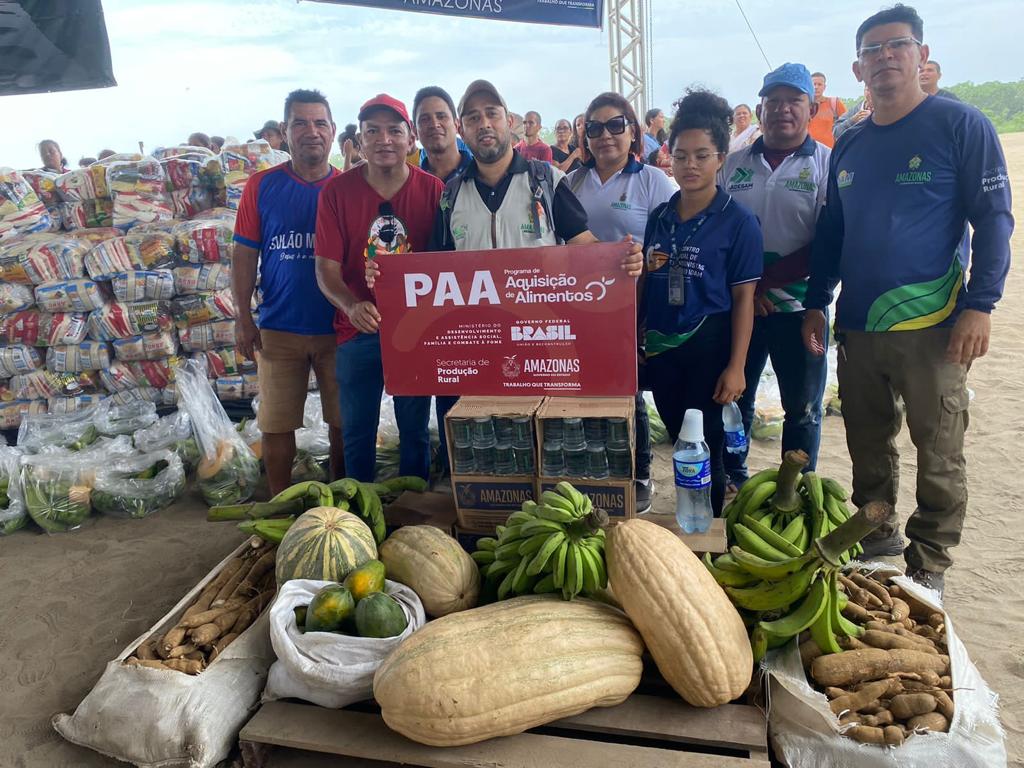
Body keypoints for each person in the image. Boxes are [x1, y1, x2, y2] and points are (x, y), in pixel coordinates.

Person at [802, 4, 1013, 595]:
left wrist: (982, 303)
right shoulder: (849, 143)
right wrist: (818, 301)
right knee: (868, 443)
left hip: (937, 325)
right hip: (860, 325)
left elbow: (993, 221)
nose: (886, 58)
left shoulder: (960, 125)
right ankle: (876, 534)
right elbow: (832, 233)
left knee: (938, 448)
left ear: (922, 56)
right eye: (873, 50)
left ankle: (930, 563)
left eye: (898, 46)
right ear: (857, 68)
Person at [641, 88, 763, 516]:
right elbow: (646, 280)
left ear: (721, 158)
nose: (690, 165)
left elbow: (745, 299)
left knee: (705, 439)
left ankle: (706, 525)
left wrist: (737, 367)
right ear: (668, 158)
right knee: (678, 436)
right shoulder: (660, 216)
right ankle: (691, 509)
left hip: (708, 347)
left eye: (702, 155)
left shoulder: (739, 222)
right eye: (680, 155)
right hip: (661, 347)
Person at [315, 94, 442, 483]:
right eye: (373, 131)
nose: (384, 139)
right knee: (357, 430)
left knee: (415, 430)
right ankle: (357, 509)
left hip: (415, 331)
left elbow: (447, 265)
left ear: (411, 140)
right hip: (358, 330)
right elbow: (326, 268)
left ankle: (413, 506)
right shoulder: (337, 193)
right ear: (359, 141)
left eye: (394, 130)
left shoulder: (434, 191)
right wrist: (352, 305)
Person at [720, 63, 830, 491]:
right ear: (761, 107)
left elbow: (827, 242)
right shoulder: (733, 164)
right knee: (736, 397)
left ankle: (796, 489)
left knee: (802, 407)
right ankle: (733, 478)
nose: (783, 110)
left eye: (794, 101)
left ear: (812, 107)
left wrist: (760, 283)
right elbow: (721, 233)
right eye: (774, 101)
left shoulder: (826, 164)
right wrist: (746, 290)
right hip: (742, 307)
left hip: (804, 310)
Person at [566, 92, 677, 514]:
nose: (606, 135)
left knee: (628, 392)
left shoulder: (652, 180)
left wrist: (644, 262)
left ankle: (639, 472)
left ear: (633, 131)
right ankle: (596, 473)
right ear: (585, 137)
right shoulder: (571, 183)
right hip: (580, 311)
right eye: (594, 128)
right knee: (586, 393)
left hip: (637, 307)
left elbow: (670, 246)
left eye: (616, 125)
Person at [232, 88, 344, 495]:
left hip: (339, 329)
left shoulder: (349, 188)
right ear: (284, 131)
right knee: (276, 427)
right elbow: (244, 256)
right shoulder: (262, 186)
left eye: (319, 123)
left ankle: (342, 506)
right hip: (279, 330)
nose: (310, 131)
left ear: (332, 132)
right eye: (300, 123)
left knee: (343, 426)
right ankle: (279, 506)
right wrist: (244, 319)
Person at [413, 86, 473, 183]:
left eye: (441, 116)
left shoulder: (483, 176)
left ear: (457, 125)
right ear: (415, 131)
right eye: (425, 119)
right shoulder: (412, 185)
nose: (434, 124)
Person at [807, 72, 846, 148]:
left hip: (830, 152)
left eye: (819, 84)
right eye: (814, 84)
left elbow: (847, 125)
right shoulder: (802, 106)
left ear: (824, 87)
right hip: (807, 152)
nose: (816, 87)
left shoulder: (835, 104)